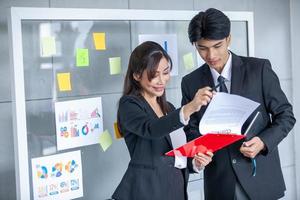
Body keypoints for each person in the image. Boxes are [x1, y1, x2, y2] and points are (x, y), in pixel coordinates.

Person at [181, 8, 296, 200]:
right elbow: (191, 130)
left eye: (217, 46)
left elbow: (285, 116)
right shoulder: (190, 82)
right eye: (202, 48)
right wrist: (198, 154)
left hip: (259, 178)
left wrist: (262, 142)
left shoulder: (259, 69)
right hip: (219, 183)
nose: (210, 55)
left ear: (229, 39)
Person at [112, 41, 213, 200]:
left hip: (175, 190)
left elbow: (175, 155)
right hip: (147, 192)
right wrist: (190, 107)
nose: (161, 80)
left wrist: (195, 163)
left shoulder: (169, 108)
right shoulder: (129, 104)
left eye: (165, 72)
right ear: (137, 75)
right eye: (154, 75)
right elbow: (151, 128)